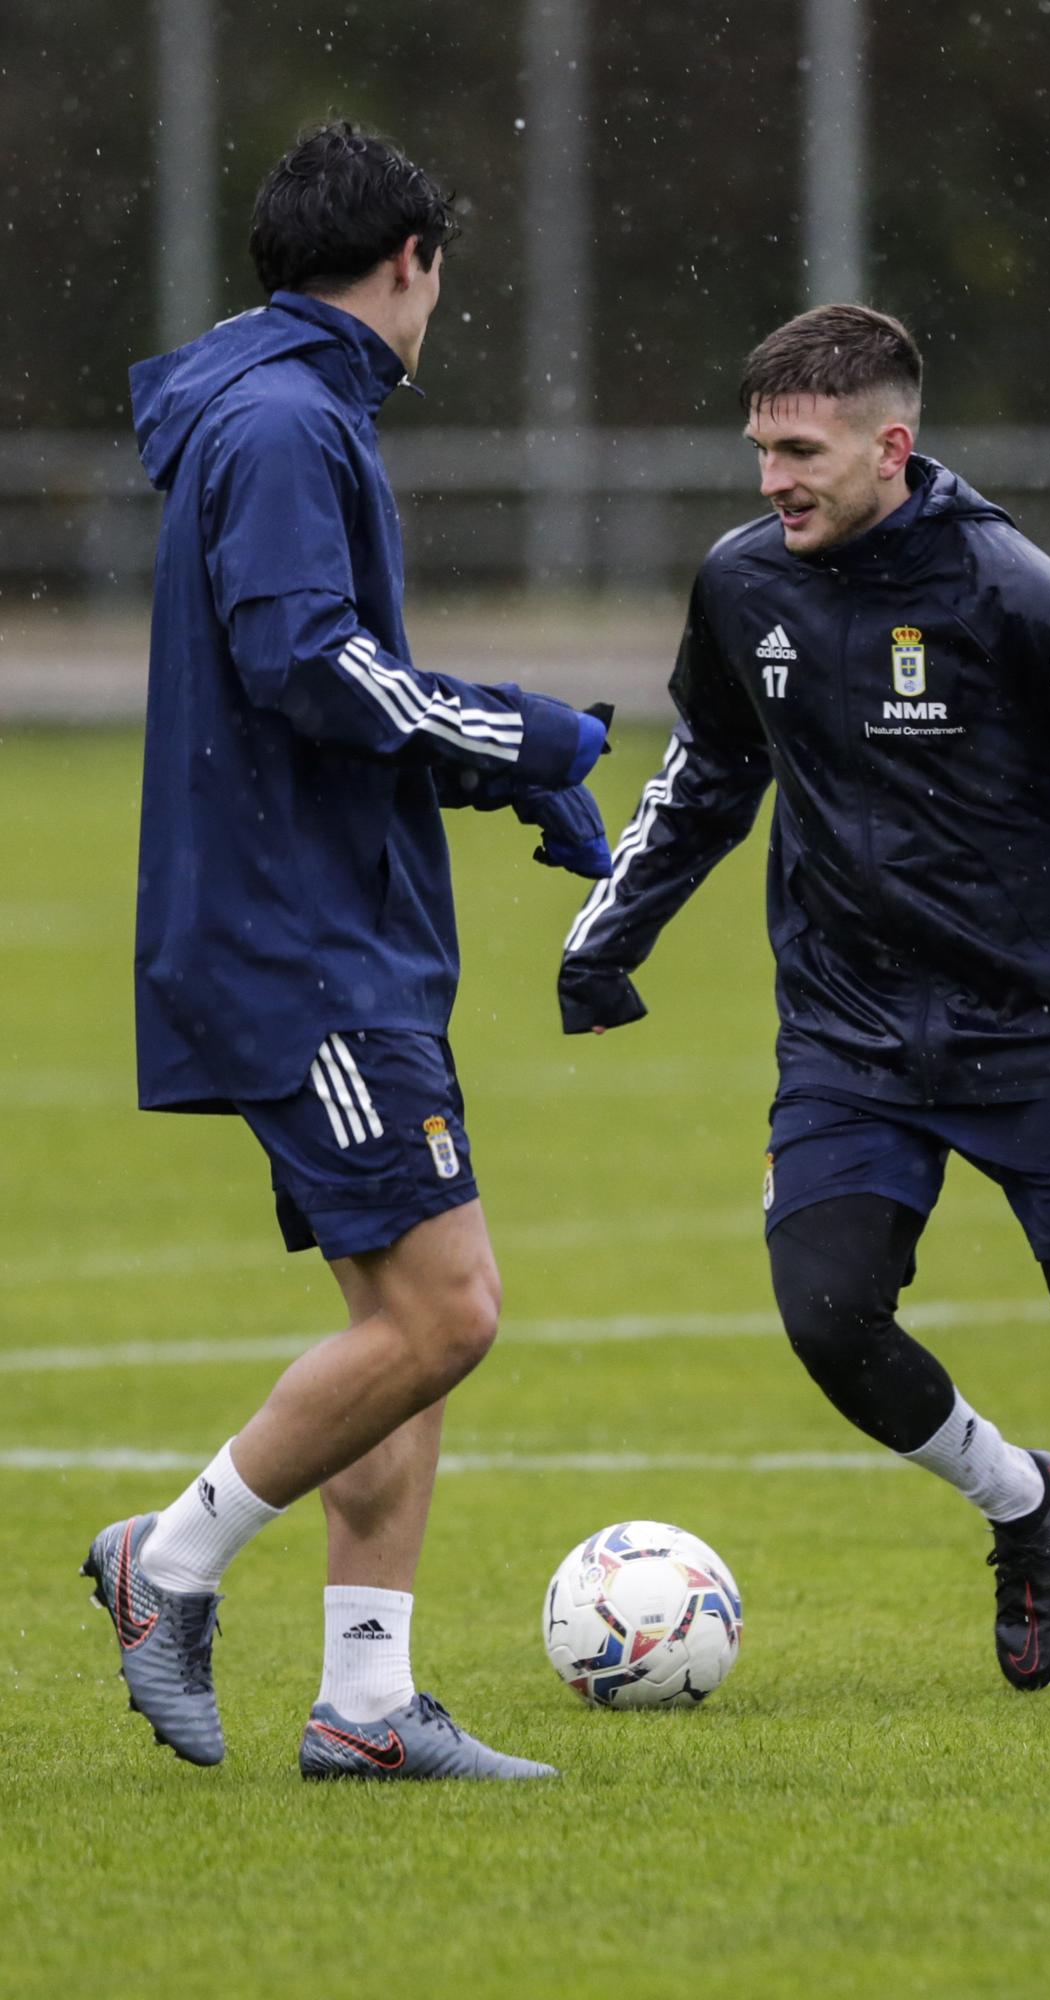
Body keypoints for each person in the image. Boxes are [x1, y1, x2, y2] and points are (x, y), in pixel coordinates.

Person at [558, 303, 1050, 1700]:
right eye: (759, 449)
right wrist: (607, 938)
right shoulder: (740, 585)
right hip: (849, 1028)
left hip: (1037, 1031)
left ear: (889, 447)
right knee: (827, 1314)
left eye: (800, 451)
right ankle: (1021, 1499)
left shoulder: (1009, 588)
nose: (772, 480)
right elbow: (710, 768)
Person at [81, 122, 616, 1780]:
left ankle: (366, 1705)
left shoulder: (268, 408)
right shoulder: (289, 423)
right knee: (450, 1313)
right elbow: (314, 664)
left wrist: (482, 773)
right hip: (300, 953)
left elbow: (321, 698)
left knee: (399, 1312)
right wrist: (526, 735)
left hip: (326, 932)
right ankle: (162, 1564)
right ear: (411, 262)